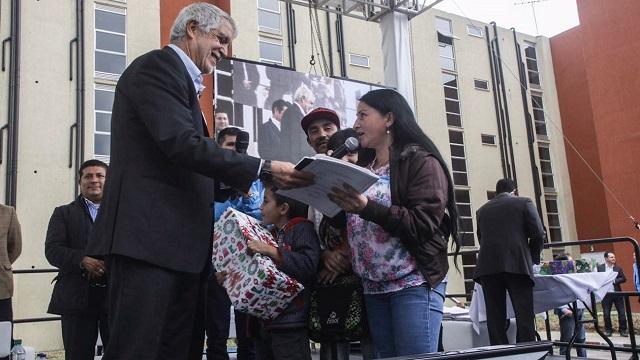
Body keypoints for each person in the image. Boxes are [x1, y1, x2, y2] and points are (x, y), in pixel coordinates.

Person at [86, 4, 311, 360]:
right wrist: (263, 167)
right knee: (138, 350)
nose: (225, 50)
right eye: (221, 38)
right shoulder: (157, 68)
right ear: (192, 28)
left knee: (178, 350)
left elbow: (187, 168)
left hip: (179, 251)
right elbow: (180, 145)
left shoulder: (184, 86)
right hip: (149, 245)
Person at [328, 89, 460, 357]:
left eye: (363, 115)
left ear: (388, 118)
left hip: (412, 282)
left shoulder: (421, 161)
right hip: (373, 285)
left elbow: (423, 222)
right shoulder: (366, 165)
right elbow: (352, 220)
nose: (355, 124)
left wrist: (367, 208)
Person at [45, 159, 109, 360]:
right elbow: (52, 250)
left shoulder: (122, 214)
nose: (94, 180)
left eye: (100, 175)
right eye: (88, 176)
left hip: (115, 296)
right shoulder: (63, 213)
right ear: (80, 181)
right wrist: (83, 259)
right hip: (76, 297)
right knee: (77, 356)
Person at [248, 185, 320, 360]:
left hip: (291, 323)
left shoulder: (302, 229)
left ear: (283, 208)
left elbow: (308, 265)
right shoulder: (268, 233)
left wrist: (273, 251)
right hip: (264, 323)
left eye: (266, 201)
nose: (260, 207)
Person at [207, 127, 261, 360]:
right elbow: (211, 217)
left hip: (247, 261)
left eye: (240, 147)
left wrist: (245, 194)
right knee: (217, 328)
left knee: (248, 331)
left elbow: (259, 218)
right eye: (230, 145)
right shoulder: (208, 179)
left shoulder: (254, 180)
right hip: (216, 263)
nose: (235, 152)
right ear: (219, 147)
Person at [473, 178, 545, 345]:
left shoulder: (481, 210)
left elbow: (481, 238)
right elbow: (538, 233)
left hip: (488, 267)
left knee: (495, 317)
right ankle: (526, 352)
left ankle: (500, 353)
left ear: (496, 192)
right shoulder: (524, 202)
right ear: (514, 191)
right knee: (524, 314)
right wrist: (533, 258)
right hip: (517, 264)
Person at [553, 254, 586, 357]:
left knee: (581, 338)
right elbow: (555, 294)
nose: (573, 265)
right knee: (567, 340)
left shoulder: (574, 276)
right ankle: (563, 358)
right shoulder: (557, 277)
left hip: (579, 309)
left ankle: (582, 358)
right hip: (567, 311)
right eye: (571, 262)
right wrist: (563, 309)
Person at [0, 203, 21, 360]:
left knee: (2, 341)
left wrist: (2, 264)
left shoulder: (7, 212)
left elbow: (15, 247)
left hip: (1, 288)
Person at [279, 84, 316, 163]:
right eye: (311, 103)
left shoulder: (294, 112)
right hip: (295, 162)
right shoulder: (293, 113)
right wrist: (296, 164)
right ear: (303, 99)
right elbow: (295, 142)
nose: (311, 107)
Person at [597, 251, 628, 337]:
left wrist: (614, 280)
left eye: (614, 257)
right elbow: (597, 278)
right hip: (606, 295)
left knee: (621, 313)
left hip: (617, 293)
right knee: (606, 313)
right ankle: (608, 330)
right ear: (606, 258)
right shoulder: (600, 268)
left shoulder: (618, 268)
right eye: (611, 257)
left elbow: (624, 278)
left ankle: (623, 330)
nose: (614, 258)